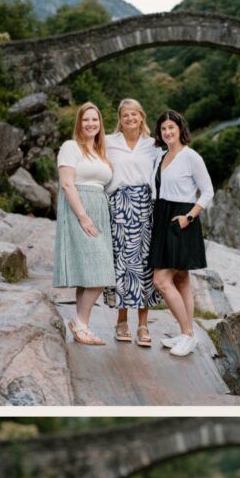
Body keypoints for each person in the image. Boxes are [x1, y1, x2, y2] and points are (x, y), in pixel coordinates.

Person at [146, 110, 214, 358]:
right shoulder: (161, 156)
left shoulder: (191, 157)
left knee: (161, 280)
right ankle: (187, 333)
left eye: (171, 128)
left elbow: (207, 192)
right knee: (181, 279)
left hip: (182, 218)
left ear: (180, 129)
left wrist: (189, 217)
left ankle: (187, 334)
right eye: (163, 129)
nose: (167, 132)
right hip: (162, 215)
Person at [53, 102, 116, 346]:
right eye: (86, 119)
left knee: (89, 273)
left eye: (95, 120)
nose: (91, 124)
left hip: (98, 208)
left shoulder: (101, 152)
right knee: (100, 272)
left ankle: (82, 325)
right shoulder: (71, 147)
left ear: (100, 123)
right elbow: (67, 184)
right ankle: (80, 324)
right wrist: (83, 216)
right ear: (79, 123)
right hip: (80, 209)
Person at [104, 98, 162, 346]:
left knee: (144, 265)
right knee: (122, 264)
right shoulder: (109, 142)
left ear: (141, 116)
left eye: (134, 114)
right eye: (125, 115)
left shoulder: (153, 145)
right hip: (118, 205)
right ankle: (121, 321)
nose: (130, 119)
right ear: (120, 118)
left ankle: (143, 325)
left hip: (145, 207)